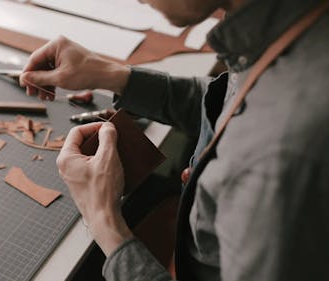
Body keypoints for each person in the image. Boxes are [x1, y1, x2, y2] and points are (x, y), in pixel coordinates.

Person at [19, 0, 329, 280]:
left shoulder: (278, 155)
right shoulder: (293, 25)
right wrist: (112, 75)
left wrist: (103, 220)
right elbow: (236, 103)